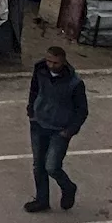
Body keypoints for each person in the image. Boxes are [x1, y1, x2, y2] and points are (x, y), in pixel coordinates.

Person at [25, 46, 88, 213]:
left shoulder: (74, 83)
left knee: (52, 166)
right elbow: (34, 90)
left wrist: (69, 131)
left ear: (63, 61)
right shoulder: (40, 70)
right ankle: (42, 200)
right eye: (48, 61)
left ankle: (68, 187)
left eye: (55, 62)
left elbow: (82, 110)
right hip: (39, 124)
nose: (51, 65)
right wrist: (31, 111)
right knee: (38, 165)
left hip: (59, 129)